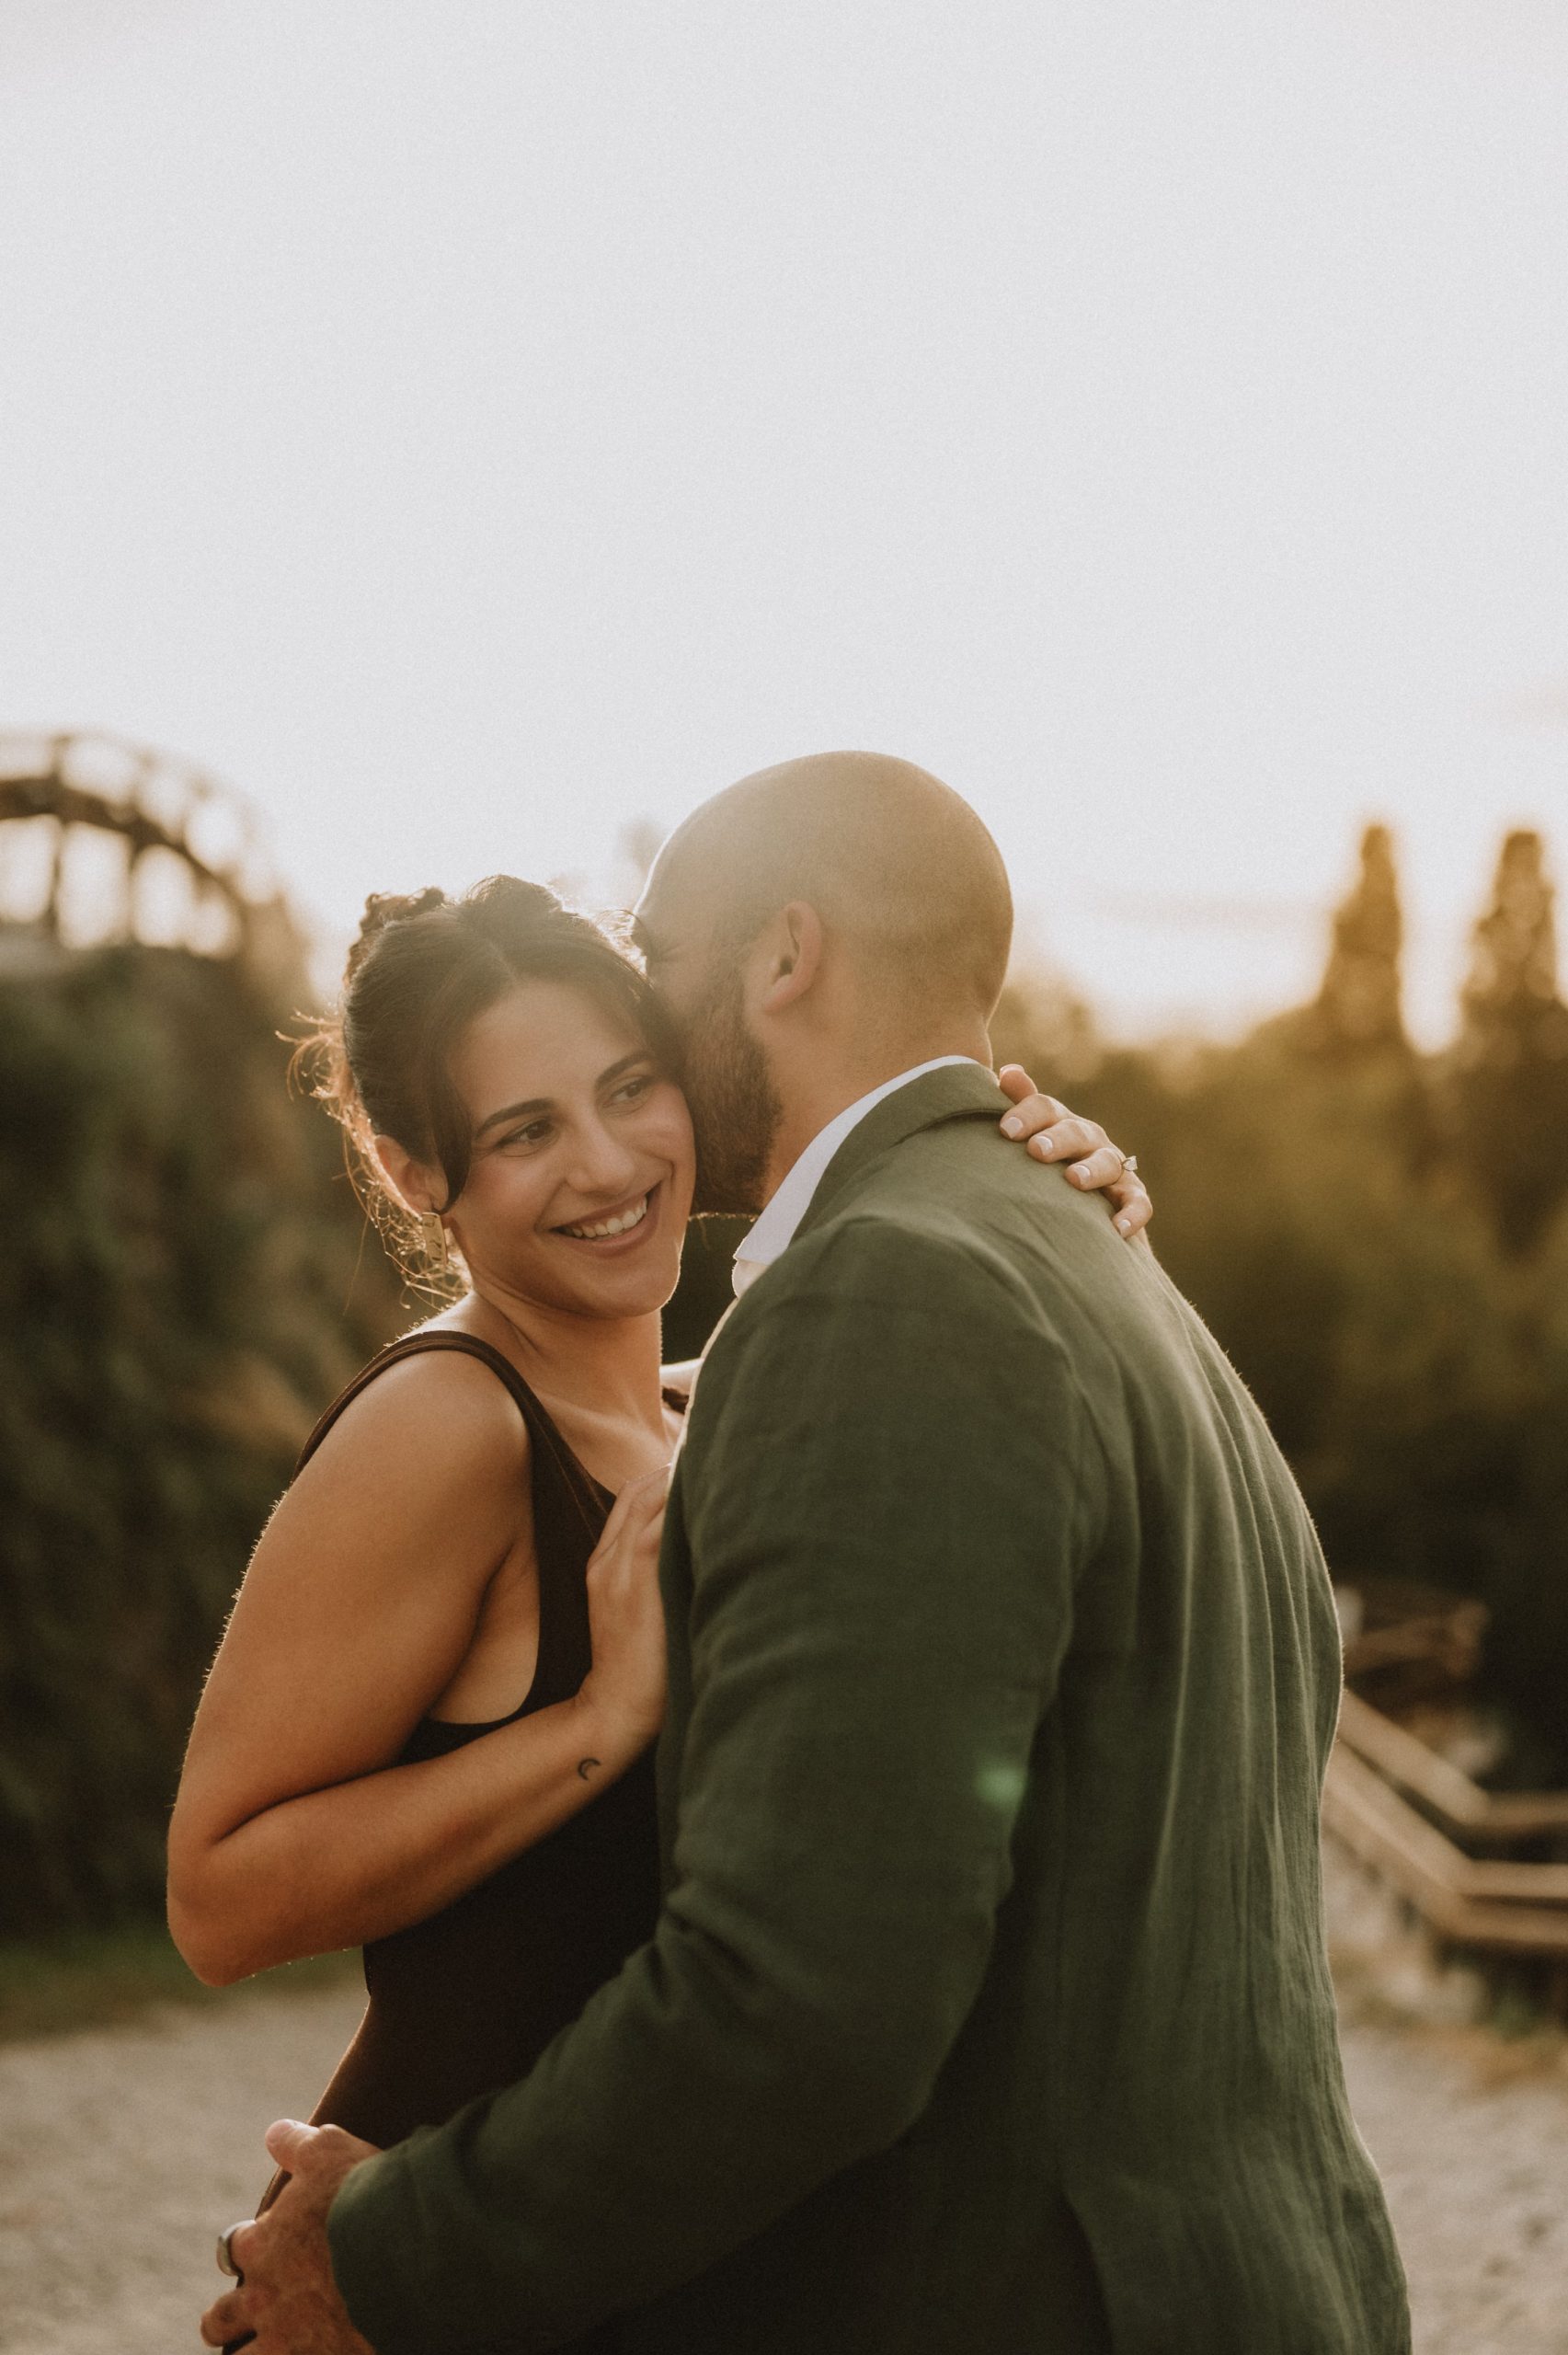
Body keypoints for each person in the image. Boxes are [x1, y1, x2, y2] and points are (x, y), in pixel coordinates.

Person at [201, 752, 1411, 2355]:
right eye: (524, 1126)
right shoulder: (1095, 1287)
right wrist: (584, 1735)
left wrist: (402, 2252)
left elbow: (805, 2002)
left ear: (782, 955)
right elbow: (224, 1889)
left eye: (645, 1029)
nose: (629, 1138)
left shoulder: (880, 1308)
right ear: (428, 1176)